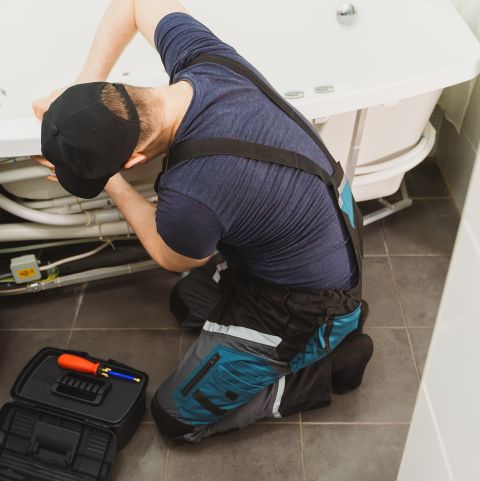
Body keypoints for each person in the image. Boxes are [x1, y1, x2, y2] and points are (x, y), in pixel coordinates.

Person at [33, 0, 374, 443]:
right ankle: (286, 330)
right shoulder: (203, 60)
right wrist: (83, 90)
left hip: (307, 304)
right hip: (329, 215)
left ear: (133, 158)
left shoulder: (192, 194)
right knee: (186, 303)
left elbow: (168, 254)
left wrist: (115, 185)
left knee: (177, 417)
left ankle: (326, 367)